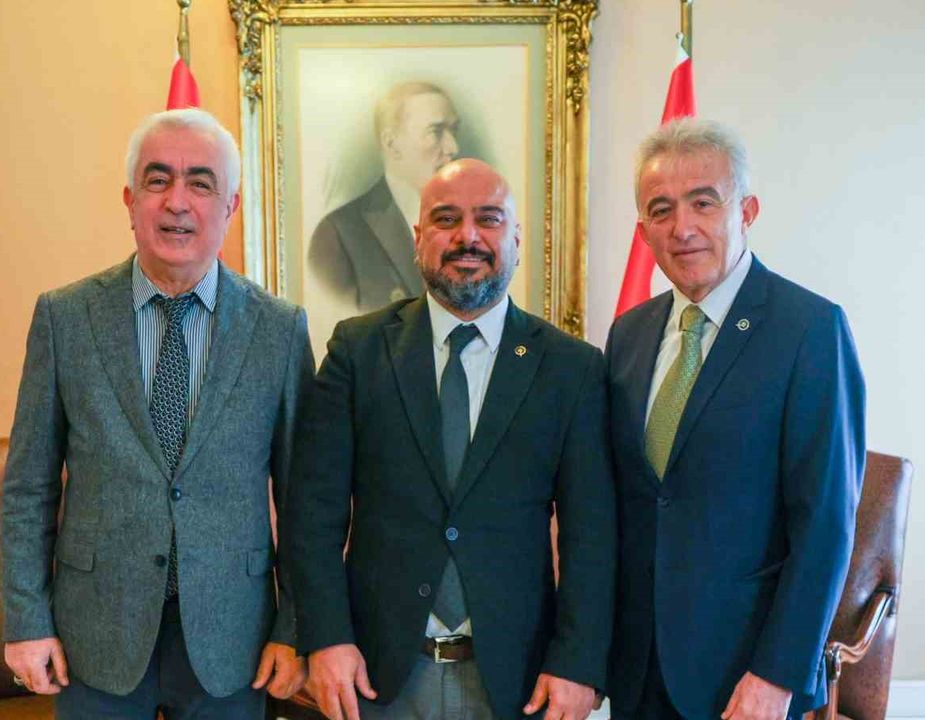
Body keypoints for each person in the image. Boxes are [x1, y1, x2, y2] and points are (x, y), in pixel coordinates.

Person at [0, 108, 312, 719]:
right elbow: (28, 486)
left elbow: (304, 499)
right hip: (96, 635)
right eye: (158, 179)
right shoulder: (65, 319)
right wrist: (26, 620)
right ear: (129, 200)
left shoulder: (279, 330)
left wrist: (295, 626)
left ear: (231, 206)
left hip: (233, 639)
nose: (177, 202)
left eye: (201, 183)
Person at [286, 158, 616, 720]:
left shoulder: (571, 368)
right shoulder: (358, 351)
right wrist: (326, 638)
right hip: (376, 677)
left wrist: (578, 662)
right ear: (418, 238)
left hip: (517, 681)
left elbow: (591, 535)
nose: (468, 237)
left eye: (488, 219)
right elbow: (313, 514)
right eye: (446, 219)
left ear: (515, 239)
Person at [605, 118, 865, 720]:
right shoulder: (628, 335)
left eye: (704, 202)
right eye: (661, 210)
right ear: (643, 232)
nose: (683, 227)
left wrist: (777, 674)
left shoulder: (809, 329)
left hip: (746, 676)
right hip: (639, 670)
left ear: (746, 211)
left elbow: (826, 524)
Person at [309, 80, 461, 312]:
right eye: (435, 131)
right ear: (392, 144)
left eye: (453, 130)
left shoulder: (468, 228)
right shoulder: (338, 234)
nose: (453, 147)